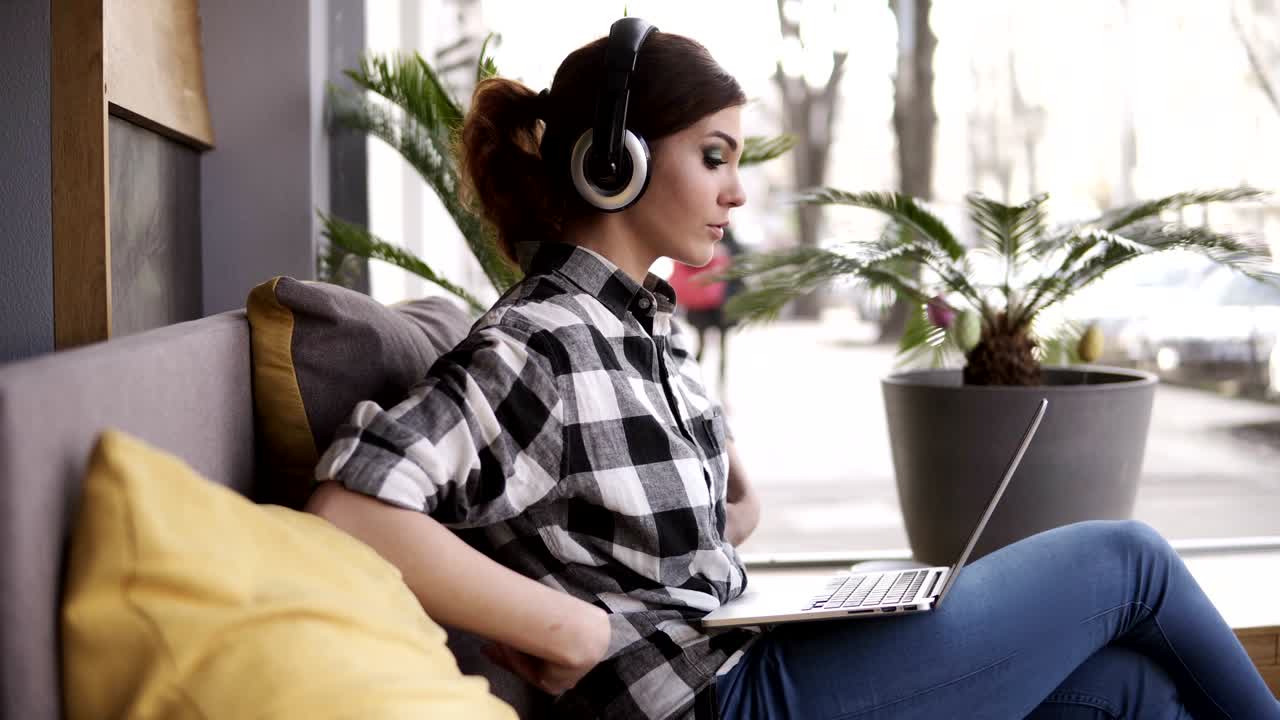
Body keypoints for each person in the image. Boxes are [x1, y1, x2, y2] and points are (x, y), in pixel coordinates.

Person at [303, 20, 1280, 720]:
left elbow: (635, 522)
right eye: (714, 155)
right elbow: (354, 511)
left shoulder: (636, 323)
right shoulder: (540, 341)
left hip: (742, 651)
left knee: (1131, 691)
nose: (736, 189)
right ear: (619, 162)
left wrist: (721, 511)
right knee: (1126, 562)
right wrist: (569, 631)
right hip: (719, 698)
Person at [668, 229, 745, 400]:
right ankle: (696, 386)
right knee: (717, 349)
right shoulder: (727, 245)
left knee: (707, 347)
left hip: (711, 307)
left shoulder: (703, 238)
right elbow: (740, 277)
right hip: (720, 306)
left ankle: (695, 387)